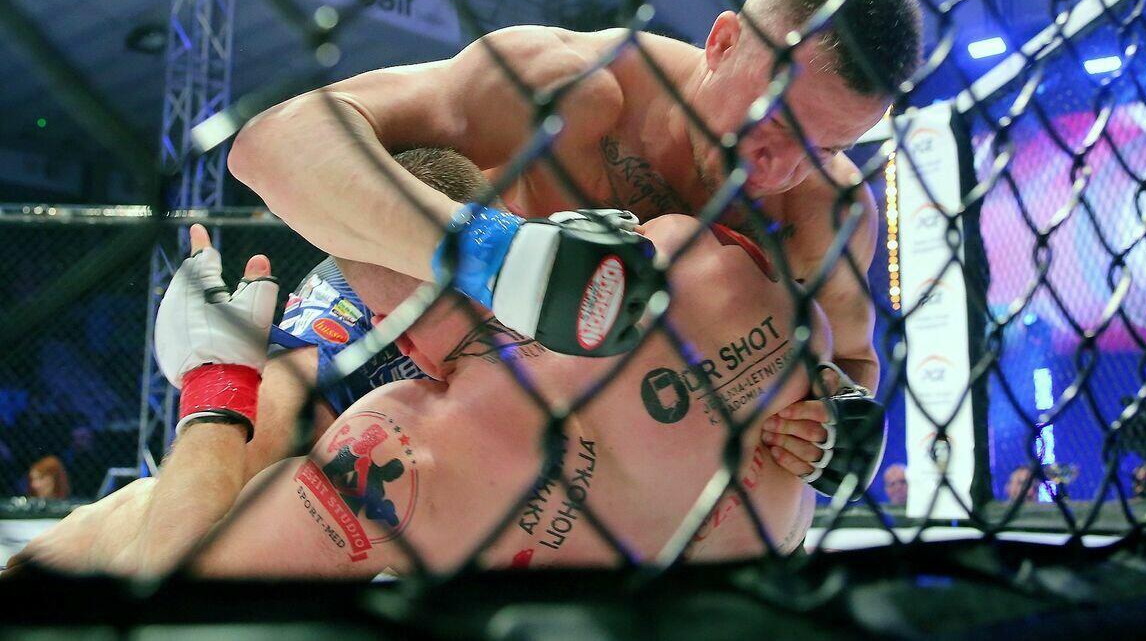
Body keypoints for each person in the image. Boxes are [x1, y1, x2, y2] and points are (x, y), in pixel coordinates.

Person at [9, 151, 884, 577]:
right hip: (753, 594)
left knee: (189, 493)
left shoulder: (405, 445)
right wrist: (837, 403)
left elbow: (181, 598)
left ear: (378, 315)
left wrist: (214, 381)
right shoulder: (694, 259)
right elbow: (815, 343)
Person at [228, 0, 923, 482]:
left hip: (566, 411)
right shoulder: (580, 86)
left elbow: (851, 359)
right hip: (414, 296)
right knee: (252, 465)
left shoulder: (827, 213)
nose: (779, 168)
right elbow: (272, 142)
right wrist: (498, 256)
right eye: (775, 121)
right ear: (722, 43)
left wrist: (836, 417)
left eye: (825, 147)